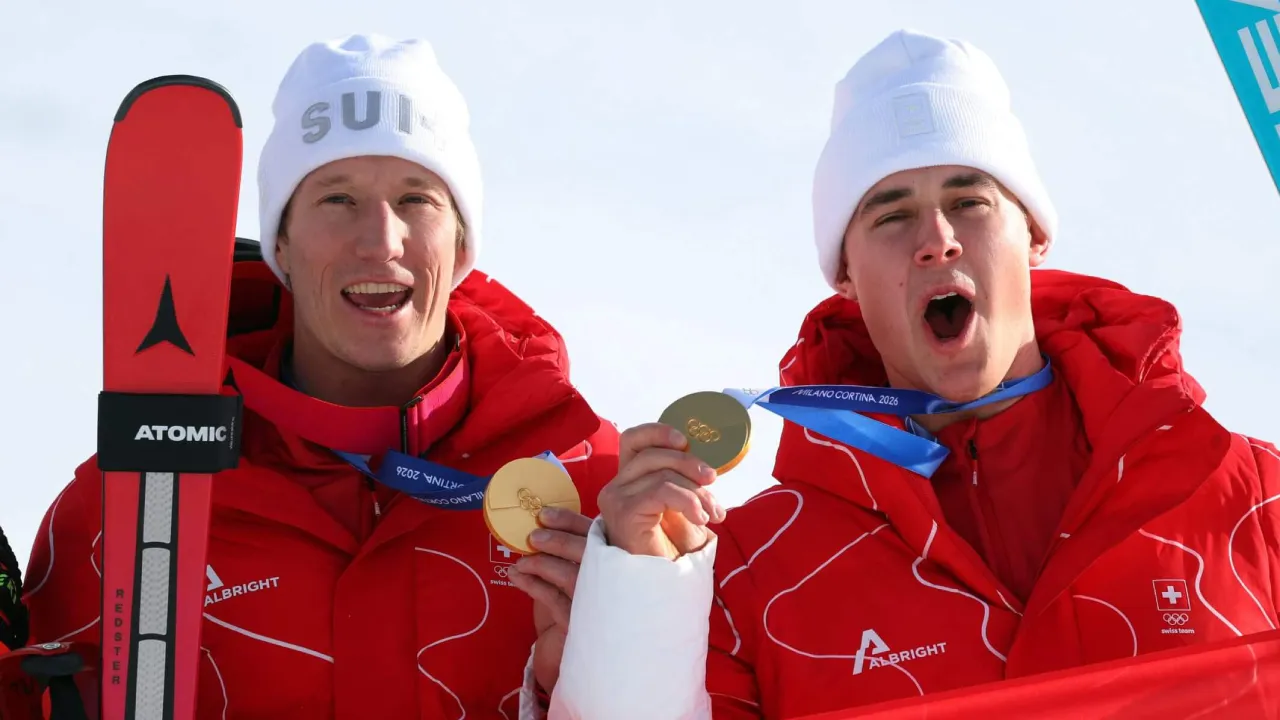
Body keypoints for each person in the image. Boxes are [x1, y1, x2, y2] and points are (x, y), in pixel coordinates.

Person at [534, 28, 1280, 719]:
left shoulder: (1245, 495)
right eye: (891, 215)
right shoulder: (755, 568)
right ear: (846, 277)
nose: (937, 240)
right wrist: (632, 604)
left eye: (970, 200)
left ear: (1035, 235)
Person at [20, 33, 618, 719]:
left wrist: (602, 673)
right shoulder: (128, 499)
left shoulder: (588, 482)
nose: (380, 239)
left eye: (417, 198)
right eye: (337, 199)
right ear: (280, 242)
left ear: (460, 243)